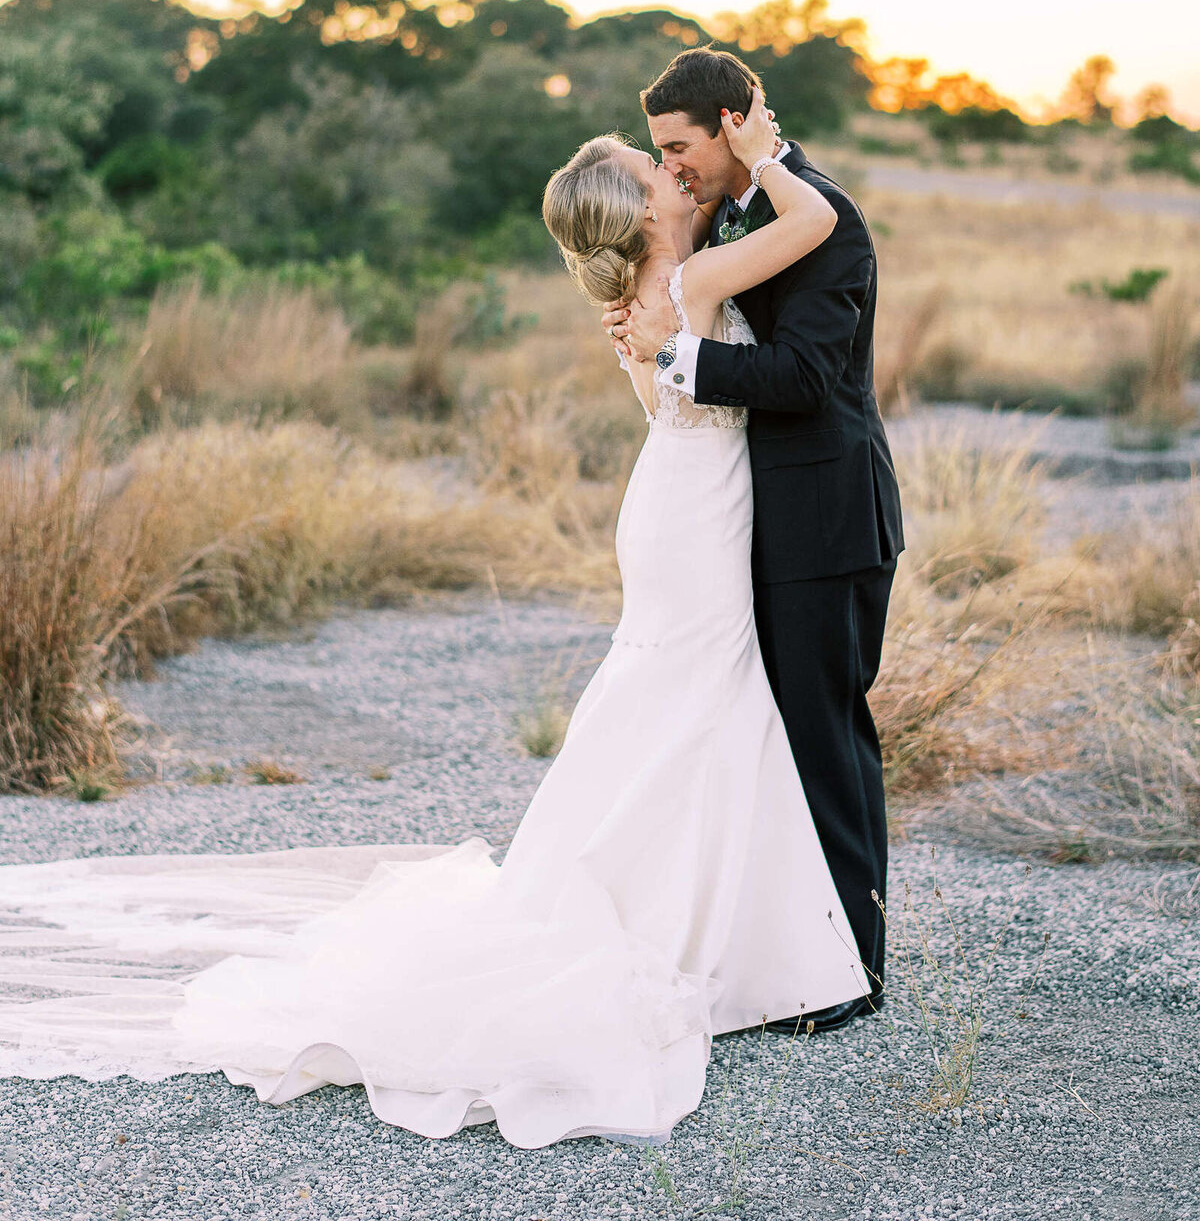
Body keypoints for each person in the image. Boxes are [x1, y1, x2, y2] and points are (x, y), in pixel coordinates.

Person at [0, 87, 867, 1151]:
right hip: (693, 523)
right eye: (657, 176)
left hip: (674, 512)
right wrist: (768, 153)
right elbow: (819, 225)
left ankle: (697, 921)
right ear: (641, 216)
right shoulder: (684, 280)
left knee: (677, 705)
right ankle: (704, 931)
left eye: (671, 164)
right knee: (696, 700)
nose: (673, 177)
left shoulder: (652, 287)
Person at [602, 46, 904, 1023]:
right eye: (659, 152)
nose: (672, 165)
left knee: (825, 737)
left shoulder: (825, 217)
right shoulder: (733, 214)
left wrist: (676, 357)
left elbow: (806, 378)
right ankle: (781, 952)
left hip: (826, 523)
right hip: (747, 527)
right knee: (766, 740)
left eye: (679, 146)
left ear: (734, 125)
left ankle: (853, 971)